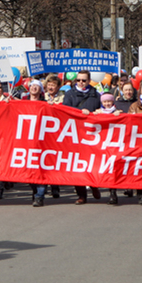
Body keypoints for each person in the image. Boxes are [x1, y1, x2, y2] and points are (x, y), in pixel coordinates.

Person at [62, 70, 102, 205]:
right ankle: (81, 195)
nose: (80, 82)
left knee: (91, 163)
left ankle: (94, 185)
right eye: (78, 80)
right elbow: (65, 111)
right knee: (77, 166)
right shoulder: (69, 94)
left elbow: (101, 112)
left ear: (89, 81)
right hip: (74, 134)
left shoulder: (96, 95)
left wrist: (94, 113)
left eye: (83, 80)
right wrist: (79, 113)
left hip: (91, 135)